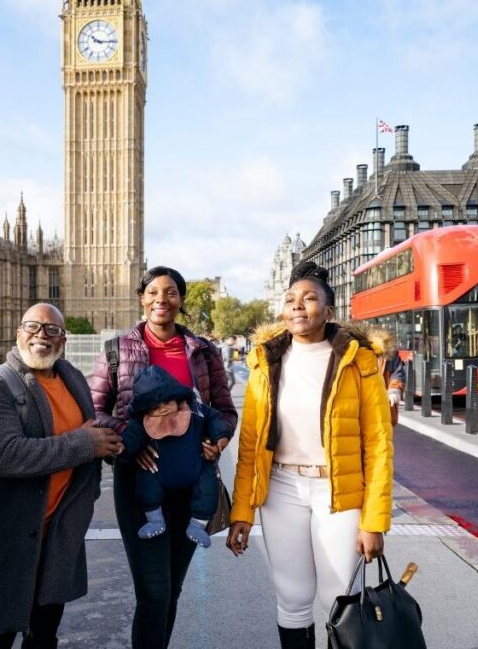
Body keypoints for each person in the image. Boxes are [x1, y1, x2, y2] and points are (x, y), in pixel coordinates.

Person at [226, 261, 393, 649]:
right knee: (292, 597)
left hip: (339, 491)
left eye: (309, 298)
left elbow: (380, 443)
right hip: (282, 488)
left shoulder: (359, 362)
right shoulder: (264, 362)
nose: (297, 306)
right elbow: (251, 445)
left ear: (329, 312)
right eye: (290, 300)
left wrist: (375, 521)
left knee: (339, 598)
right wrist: (242, 513)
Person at [91, 265, 237, 648]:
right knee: (153, 594)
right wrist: (129, 442)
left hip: (193, 482)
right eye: (153, 292)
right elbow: (94, 409)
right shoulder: (117, 349)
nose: (162, 299)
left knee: (171, 590)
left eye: (171, 292)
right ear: (142, 298)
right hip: (140, 484)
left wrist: (216, 443)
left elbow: (224, 409)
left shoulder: (203, 352)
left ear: (181, 300)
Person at [0, 302, 122, 648]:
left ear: (63, 340)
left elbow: (93, 437)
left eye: (52, 330)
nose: (42, 335)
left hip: (59, 537)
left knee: (44, 636)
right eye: (33, 327)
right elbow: (9, 455)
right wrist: (85, 443)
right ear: (18, 334)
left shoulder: (74, 380)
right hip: (9, 538)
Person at [119, 366, 232, 546]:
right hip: (157, 470)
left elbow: (214, 417)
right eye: (155, 407)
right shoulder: (142, 422)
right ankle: (155, 520)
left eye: (166, 403)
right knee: (146, 484)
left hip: (196, 467)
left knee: (206, 486)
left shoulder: (194, 411)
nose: (162, 409)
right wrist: (123, 449)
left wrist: (220, 437)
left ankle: (198, 524)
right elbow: (130, 437)